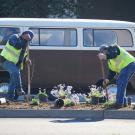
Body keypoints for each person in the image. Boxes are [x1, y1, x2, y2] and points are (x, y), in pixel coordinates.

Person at [0, 30, 34, 101]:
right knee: (15, 72)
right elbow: (17, 46)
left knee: (12, 81)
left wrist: (26, 60)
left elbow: (21, 57)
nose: (28, 42)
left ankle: (9, 98)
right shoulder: (14, 37)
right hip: (5, 60)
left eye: (29, 41)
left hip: (15, 64)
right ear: (24, 35)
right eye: (28, 40)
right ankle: (19, 89)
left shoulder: (25, 45)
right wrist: (25, 41)